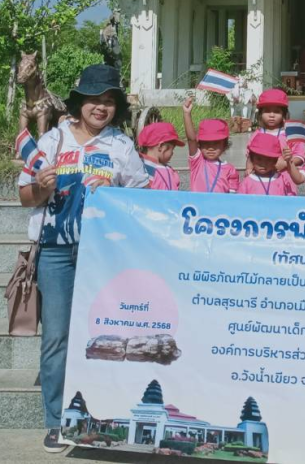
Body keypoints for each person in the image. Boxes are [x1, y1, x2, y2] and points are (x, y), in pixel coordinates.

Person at [16, 63, 146, 453]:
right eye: (94, 100)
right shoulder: (52, 141)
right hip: (56, 253)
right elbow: (24, 197)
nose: (101, 108)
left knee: (104, 336)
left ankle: (103, 415)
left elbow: (142, 200)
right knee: (56, 337)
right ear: (79, 103)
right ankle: (56, 421)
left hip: (104, 254)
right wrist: (40, 188)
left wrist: (117, 194)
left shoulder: (121, 146)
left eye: (108, 101)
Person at [182, 96, 239, 193]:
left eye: (216, 144)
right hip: (198, 207)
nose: (211, 148)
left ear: (225, 145)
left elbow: (232, 199)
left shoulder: (230, 170)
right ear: (199, 144)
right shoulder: (198, 162)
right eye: (206, 144)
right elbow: (191, 140)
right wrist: (187, 113)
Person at [250, 88, 305, 171]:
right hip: (262, 179)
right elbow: (250, 156)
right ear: (260, 114)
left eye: (276, 111)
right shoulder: (257, 134)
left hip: (285, 177)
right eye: (267, 111)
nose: (271, 115)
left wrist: (286, 163)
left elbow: (300, 156)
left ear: (284, 115)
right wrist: (248, 169)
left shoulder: (291, 135)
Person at [239, 132, 298, 196]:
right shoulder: (247, 181)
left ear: (274, 161)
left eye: (269, 160)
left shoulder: (280, 179)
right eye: (259, 159)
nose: (263, 164)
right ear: (252, 159)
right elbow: (240, 201)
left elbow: (287, 199)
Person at [136, 121, 183, 191]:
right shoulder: (167, 172)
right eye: (172, 149)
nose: (172, 153)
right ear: (161, 147)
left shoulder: (137, 165)